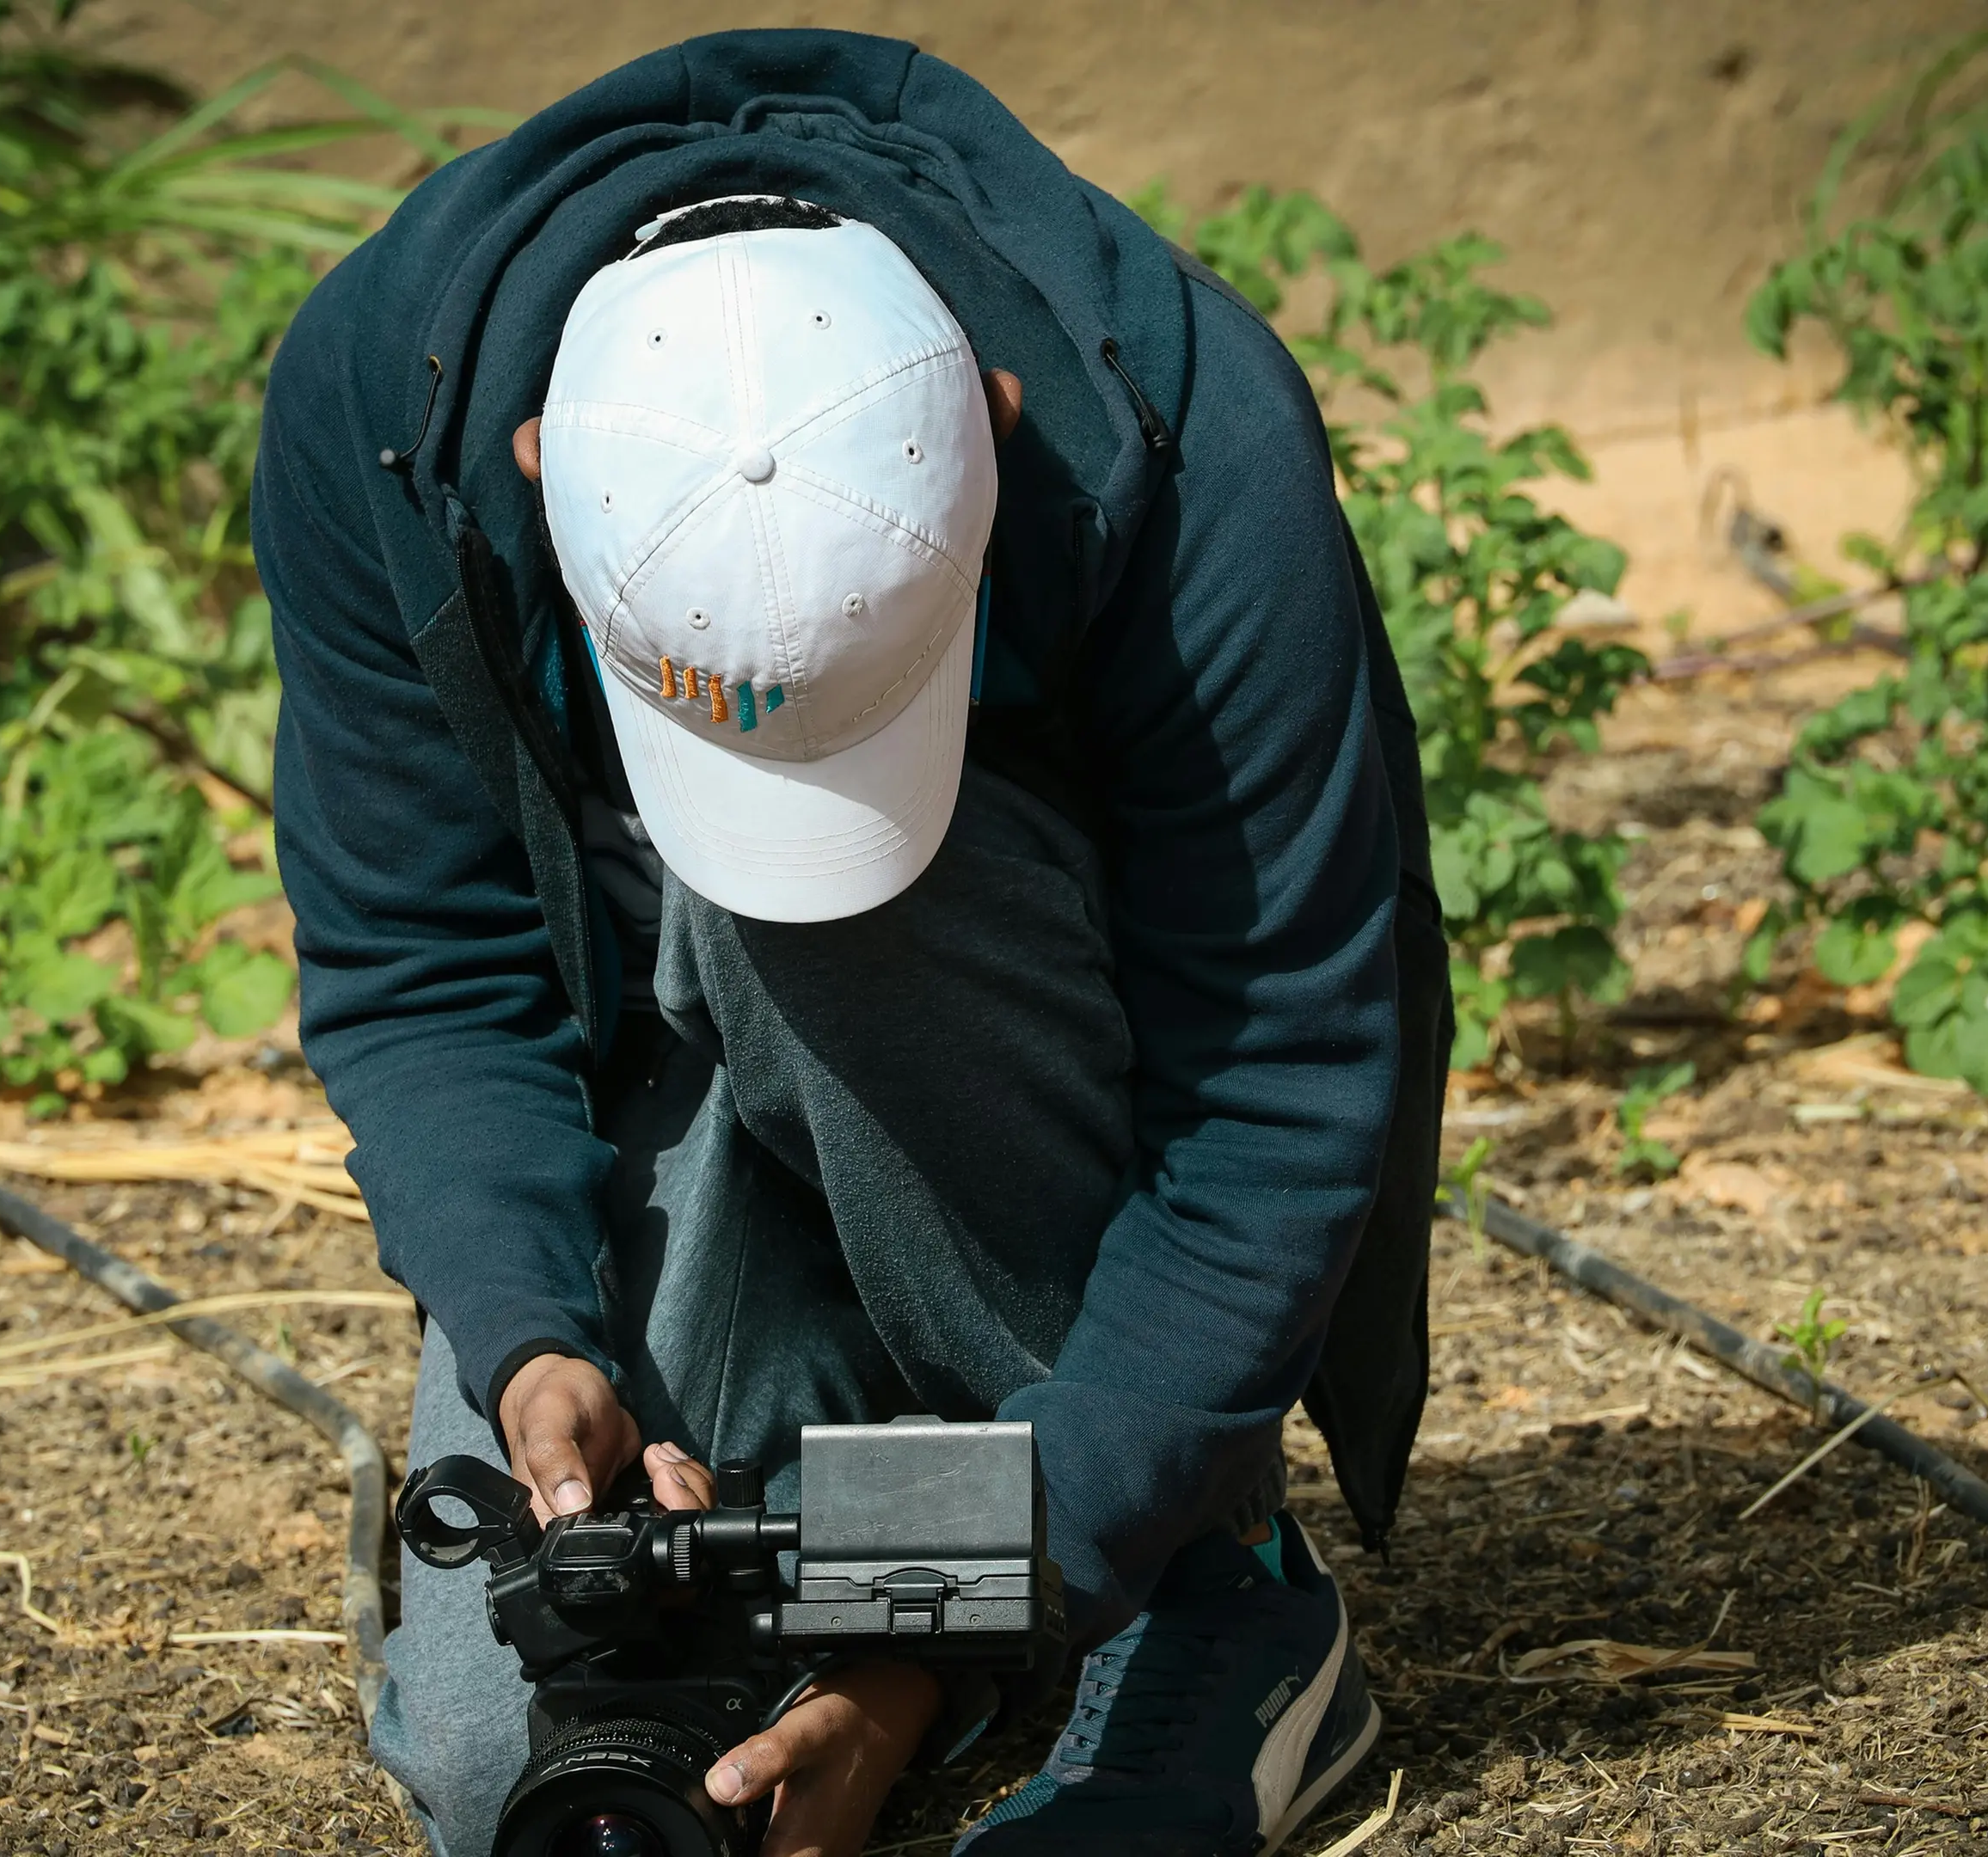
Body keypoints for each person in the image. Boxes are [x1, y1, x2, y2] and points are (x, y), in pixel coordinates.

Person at [257, 28, 1449, 1857]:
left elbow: (1281, 1074)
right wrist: (525, 1338)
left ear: (999, 417)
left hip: (1033, 1101)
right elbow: (424, 965)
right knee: (525, 1774)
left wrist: (1015, 1553)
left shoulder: (1187, 435)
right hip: (686, 1071)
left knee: (834, 926)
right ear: (534, 467)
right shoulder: (385, 418)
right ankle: (926, 1544)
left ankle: (1210, 1568)